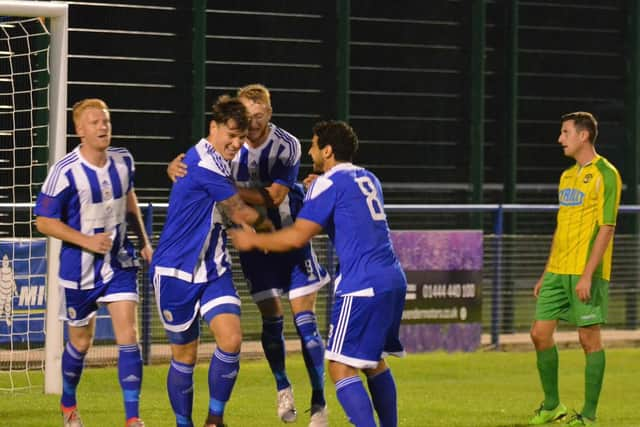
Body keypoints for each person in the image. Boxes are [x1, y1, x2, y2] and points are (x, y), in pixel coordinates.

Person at [168, 84, 330, 426]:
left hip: (290, 240)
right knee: (271, 323)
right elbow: (197, 166)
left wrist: (218, 186)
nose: (251, 125)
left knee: (305, 324)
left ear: (269, 114)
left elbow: (274, 196)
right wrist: (181, 169)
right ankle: (282, 387)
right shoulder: (226, 148)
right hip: (254, 251)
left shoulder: (286, 145)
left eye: (258, 117)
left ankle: (319, 402)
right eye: (245, 117)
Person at [230, 120, 407, 427]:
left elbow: (298, 236)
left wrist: (254, 239)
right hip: (392, 278)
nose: (310, 150)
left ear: (327, 150)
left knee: (339, 367)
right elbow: (347, 217)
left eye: (313, 145)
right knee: (374, 361)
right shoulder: (368, 178)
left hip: (361, 284)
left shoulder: (328, 184)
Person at [151, 95, 274, 427]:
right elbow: (239, 210)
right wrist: (270, 231)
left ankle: (214, 420)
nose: (236, 143)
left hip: (213, 266)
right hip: (175, 270)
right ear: (214, 127)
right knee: (184, 357)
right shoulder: (204, 164)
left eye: (240, 137)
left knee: (231, 339)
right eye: (230, 135)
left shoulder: (214, 159)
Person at [34, 98, 152, 427]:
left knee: (128, 335)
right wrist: (86, 240)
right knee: (81, 342)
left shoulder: (123, 160)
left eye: (106, 121)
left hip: (119, 263)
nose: (103, 126)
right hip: (79, 269)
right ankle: (69, 403)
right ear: (79, 130)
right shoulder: (64, 171)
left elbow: (129, 197)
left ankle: (133, 418)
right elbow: (43, 221)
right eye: (95, 122)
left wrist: (143, 240)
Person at [528, 112, 621, 427]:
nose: (560, 138)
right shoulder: (566, 176)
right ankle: (553, 405)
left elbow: (607, 228)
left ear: (583, 136)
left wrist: (587, 275)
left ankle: (590, 415)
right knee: (539, 334)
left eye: (565, 132)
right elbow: (560, 228)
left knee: (588, 340)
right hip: (557, 270)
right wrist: (545, 272)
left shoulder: (606, 174)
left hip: (586, 272)